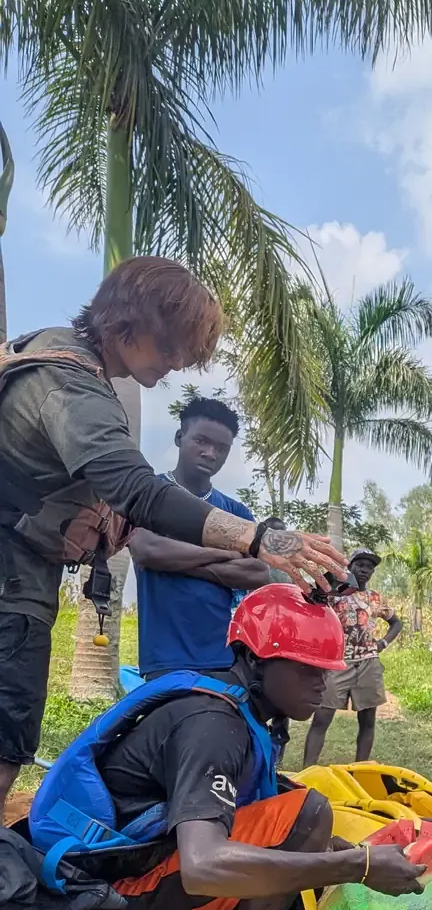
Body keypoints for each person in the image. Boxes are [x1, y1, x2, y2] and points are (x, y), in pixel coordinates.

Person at [0, 256, 343, 813]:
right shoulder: (69, 383)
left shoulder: (52, 354)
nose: (179, 361)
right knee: (5, 742)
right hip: (10, 591)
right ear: (125, 325)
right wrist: (261, 540)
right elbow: (140, 493)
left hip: (25, 582)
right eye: (171, 346)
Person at [28, 584, 425, 910]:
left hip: (117, 882)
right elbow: (203, 866)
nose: (322, 684)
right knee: (308, 812)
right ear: (256, 659)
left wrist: (326, 849)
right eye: (308, 669)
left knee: (301, 815)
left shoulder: (242, 710)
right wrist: (355, 866)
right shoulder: (213, 726)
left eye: (325, 670)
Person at [130, 396, 271, 678]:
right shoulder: (150, 494)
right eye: (201, 441)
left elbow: (257, 572)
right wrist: (227, 555)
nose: (211, 453)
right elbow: (147, 551)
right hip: (165, 659)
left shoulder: (236, 510)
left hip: (225, 659)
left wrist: (176, 558)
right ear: (180, 437)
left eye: (222, 448)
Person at [302, 549, 403, 768]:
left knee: (367, 721)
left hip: (368, 663)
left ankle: (361, 770)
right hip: (338, 662)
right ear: (350, 567)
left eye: (369, 567)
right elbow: (311, 606)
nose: (364, 570)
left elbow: (397, 622)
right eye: (360, 565)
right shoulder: (335, 595)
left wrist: (382, 643)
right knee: (321, 718)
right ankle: (307, 771)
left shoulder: (375, 598)